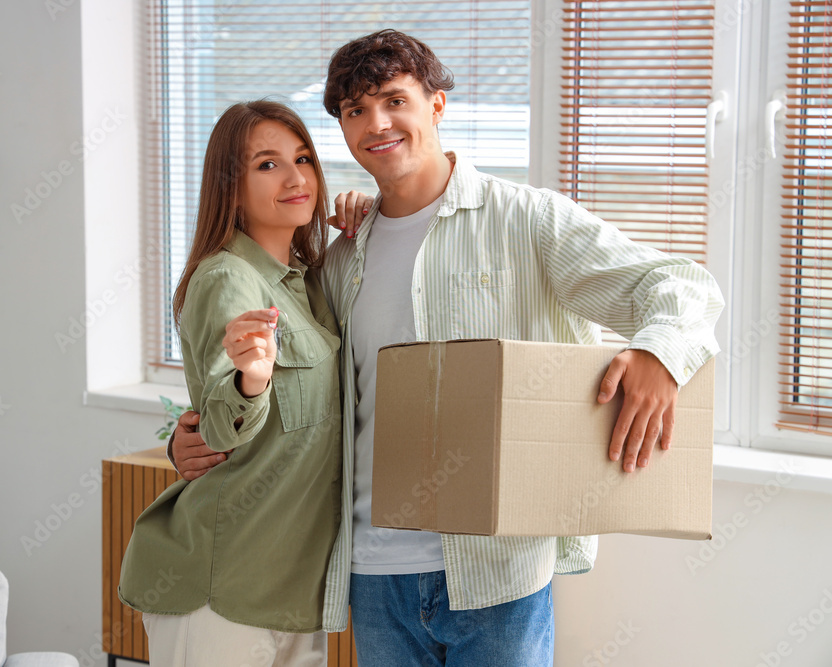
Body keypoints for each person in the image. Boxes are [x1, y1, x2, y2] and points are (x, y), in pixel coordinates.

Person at [170, 30, 724, 666]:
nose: (377, 123)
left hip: (497, 572)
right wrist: (186, 434)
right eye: (355, 111)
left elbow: (678, 286)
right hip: (372, 574)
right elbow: (298, 395)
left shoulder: (527, 220)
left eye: (393, 100)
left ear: (435, 104)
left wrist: (657, 355)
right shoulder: (340, 257)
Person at [117, 100, 366, 667]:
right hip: (222, 581)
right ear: (230, 187)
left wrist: (369, 217)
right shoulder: (227, 277)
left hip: (292, 590)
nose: (296, 176)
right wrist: (252, 381)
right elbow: (222, 422)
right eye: (267, 164)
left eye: (302, 157)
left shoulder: (310, 285)